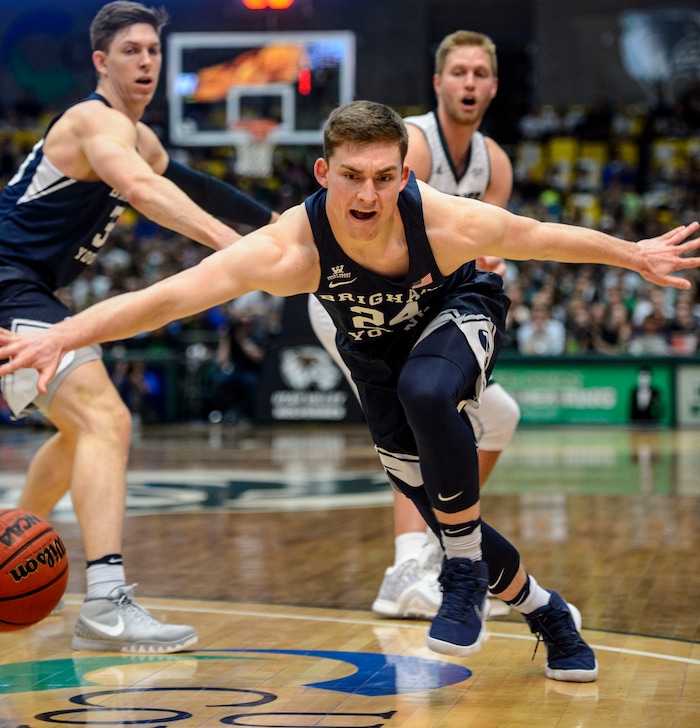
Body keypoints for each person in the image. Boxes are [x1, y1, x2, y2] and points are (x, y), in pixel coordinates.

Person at [1, 100, 699, 681]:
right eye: (352, 176)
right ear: (322, 172)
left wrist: (633, 253)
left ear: (404, 174)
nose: (368, 195)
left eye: (385, 177)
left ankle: (460, 575)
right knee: (444, 511)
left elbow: (538, 235)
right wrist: (67, 334)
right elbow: (171, 297)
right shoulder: (289, 247)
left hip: (461, 317)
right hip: (376, 361)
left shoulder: (446, 221)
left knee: (432, 393)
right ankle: (545, 610)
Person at [0, 1, 277, 653]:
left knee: (81, 431)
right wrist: (229, 249)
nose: (145, 61)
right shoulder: (94, 123)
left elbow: (193, 184)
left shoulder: (138, 136)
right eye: (131, 51)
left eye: (152, 50)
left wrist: (278, 223)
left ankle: (13, 543)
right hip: (8, 282)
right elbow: (146, 192)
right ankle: (106, 601)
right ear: (101, 62)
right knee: (107, 421)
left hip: (28, 289)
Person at [308, 30, 520, 621]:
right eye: (459, 73)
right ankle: (407, 569)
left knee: (500, 416)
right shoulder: (414, 149)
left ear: (493, 86)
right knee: (419, 419)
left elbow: (488, 254)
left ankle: (446, 555)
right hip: (356, 301)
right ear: (438, 83)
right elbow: (377, 239)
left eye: (480, 73)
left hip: (422, 302)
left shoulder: (492, 162)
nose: (469, 83)